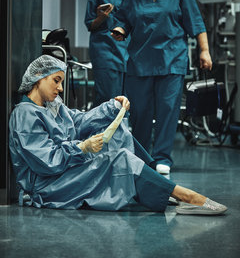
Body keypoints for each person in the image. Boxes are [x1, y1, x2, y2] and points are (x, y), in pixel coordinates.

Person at [8, 55, 227, 215]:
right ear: (38, 77)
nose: (61, 88)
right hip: (49, 184)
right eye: (56, 81)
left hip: (65, 168)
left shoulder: (52, 106)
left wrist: (112, 107)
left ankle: (158, 184)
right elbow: (45, 162)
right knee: (120, 160)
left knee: (119, 132)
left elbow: (78, 122)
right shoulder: (25, 115)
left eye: (61, 81)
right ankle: (184, 195)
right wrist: (82, 148)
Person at [111, 0, 212, 175]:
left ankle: (163, 157)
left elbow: (196, 22)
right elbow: (123, 18)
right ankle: (141, 156)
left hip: (171, 60)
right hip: (140, 62)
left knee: (168, 110)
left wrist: (204, 51)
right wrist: (120, 29)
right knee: (141, 112)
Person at [85, 0, 138, 106]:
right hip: (106, 51)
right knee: (108, 99)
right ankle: (105, 131)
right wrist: (101, 17)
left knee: (130, 100)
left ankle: (125, 131)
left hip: (130, 51)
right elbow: (90, 24)